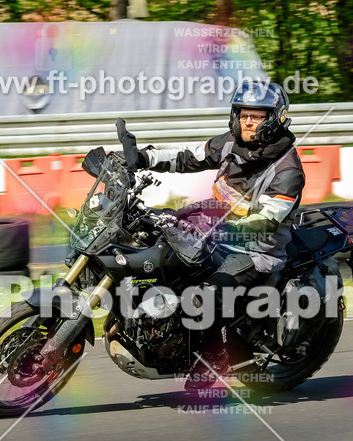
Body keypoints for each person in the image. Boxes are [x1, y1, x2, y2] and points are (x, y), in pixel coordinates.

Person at [101, 80, 306, 389]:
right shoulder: (230, 144)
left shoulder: (287, 171)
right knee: (148, 238)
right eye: (243, 114)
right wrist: (141, 159)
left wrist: (217, 230)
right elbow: (188, 156)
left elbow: (265, 222)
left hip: (254, 250)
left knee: (206, 294)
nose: (247, 122)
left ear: (275, 118)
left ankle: (215, 358)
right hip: (210, 226)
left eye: (257, 116)